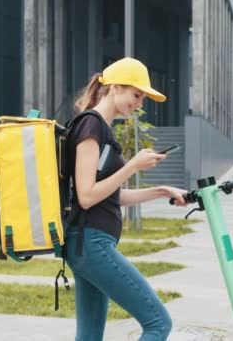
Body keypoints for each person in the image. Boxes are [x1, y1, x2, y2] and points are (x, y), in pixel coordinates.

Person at [64, 57, 187, 341]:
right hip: (91, 244)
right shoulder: (91, 126)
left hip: (88, 245)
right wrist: (132, 166)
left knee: (89, 336)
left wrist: (164, 190)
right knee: (158, 324)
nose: (140, 103)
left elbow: (111, 197)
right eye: (136, 95)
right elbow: (86, 196)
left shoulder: (101, 130)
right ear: (115, 88)